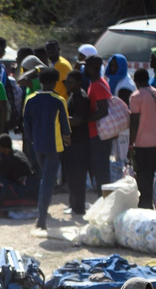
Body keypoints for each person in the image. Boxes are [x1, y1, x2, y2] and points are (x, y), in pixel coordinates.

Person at [22, 68, 70, 231]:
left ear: (40, 82)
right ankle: (42, 218)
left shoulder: (30, 99)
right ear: (55, 82)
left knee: (45, 178)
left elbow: (26, 124)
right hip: (54, 146)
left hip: (37, 146)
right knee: (48, 181)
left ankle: (42, 214)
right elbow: (65, 126)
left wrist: (32, 141)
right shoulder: (59, 100)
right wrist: (67, 139)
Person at [130, 68, 156, 210]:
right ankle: (149, 203)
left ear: (136, 81)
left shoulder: (136, 96)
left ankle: (144, 204)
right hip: (155, 141)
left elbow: (134, 122)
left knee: (141, 174)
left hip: (141, 143)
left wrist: (130, 144)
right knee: (151, 173)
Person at [0, 133, 39, 211]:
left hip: (24, 187)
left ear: (2, 148)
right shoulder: (17, 153)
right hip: (32, 184)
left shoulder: (9, 159)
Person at [85, 55, 112, 197]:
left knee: (101, 171)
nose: (84, 69)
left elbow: (103, 110)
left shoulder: (98, 85)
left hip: (99, 134)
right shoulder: (95, 82)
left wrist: (86, 119)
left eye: (86, 66)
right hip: (96, 133)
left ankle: (105, 201)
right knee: (99, 169)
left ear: (92, 68)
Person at [65, 70, 90, 215]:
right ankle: (73, 204)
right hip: (73, 142)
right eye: (67, 82)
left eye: (71, 83)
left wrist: (61, 120)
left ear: (78, 83)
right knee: (71, 174)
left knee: (78, 175)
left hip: (79, 142)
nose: (68, 85)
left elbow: (78, 119)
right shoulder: (73, 95)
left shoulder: (80, 97)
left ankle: (78, 207)